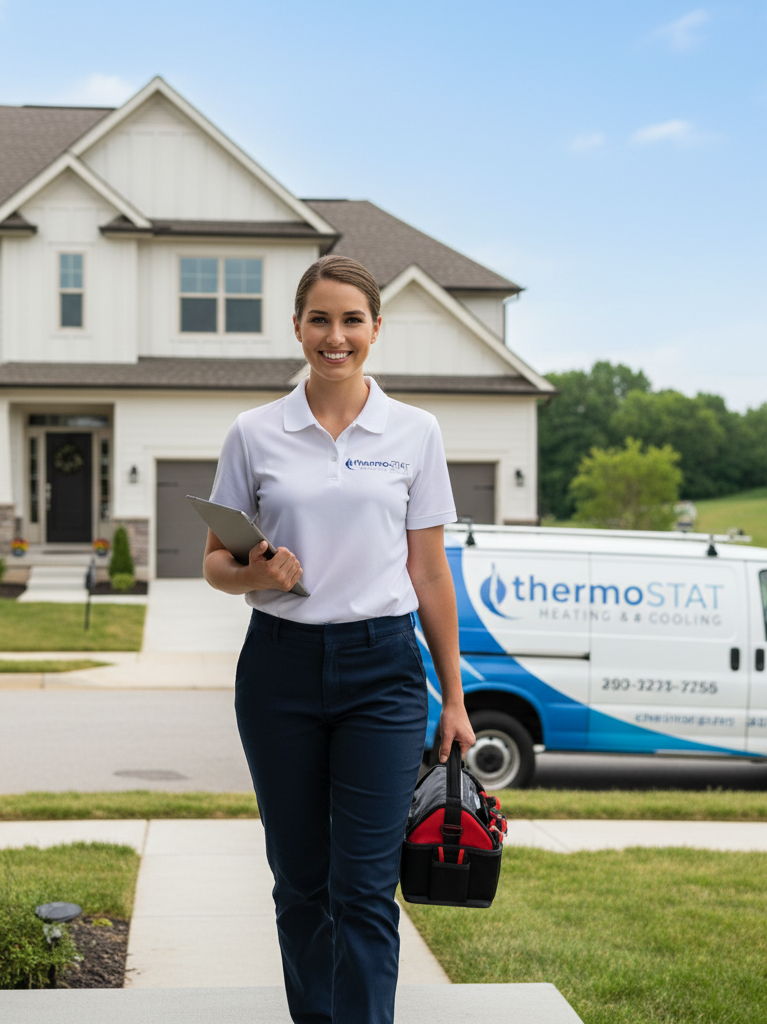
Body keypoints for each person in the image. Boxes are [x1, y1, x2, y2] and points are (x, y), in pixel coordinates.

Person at [203, 254, 475, 1024]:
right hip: (279, 672)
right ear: (296, 327)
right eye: (319, 319)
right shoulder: (254, 433)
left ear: (376, 329)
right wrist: (259, 574)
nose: (335, 336)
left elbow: (429, 576)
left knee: (362, 887)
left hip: (383, 671)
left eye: (351, 319)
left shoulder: (415, 432)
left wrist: (453, 699)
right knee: (300, 882)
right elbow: (218, 566)